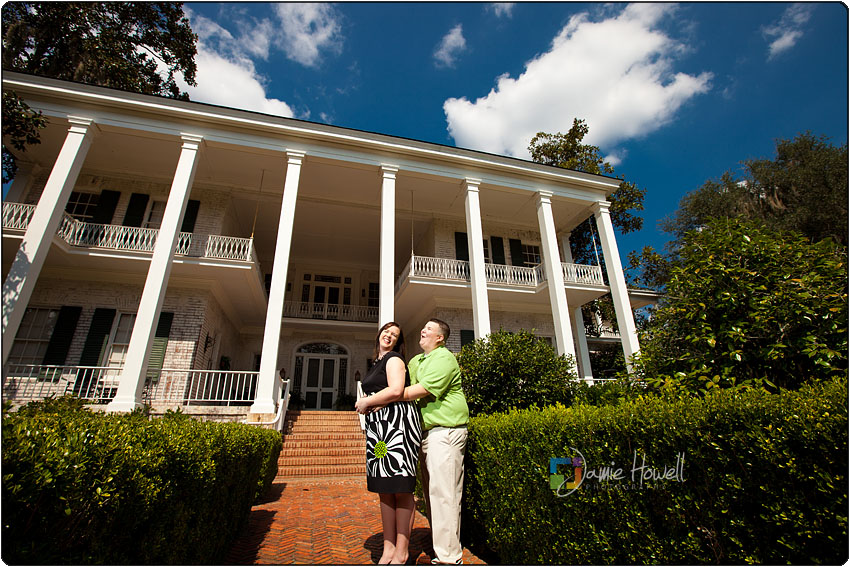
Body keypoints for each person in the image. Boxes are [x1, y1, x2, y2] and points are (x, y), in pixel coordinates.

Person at [401, 318, 469, 565]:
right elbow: (402, 383)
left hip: (446, 431)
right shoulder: (416, 361)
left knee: (444, 495)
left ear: (440, 337)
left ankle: (449, 558)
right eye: (424, 327)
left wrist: (384, 397)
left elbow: (421, 390)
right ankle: (443, 548)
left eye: (429, 329)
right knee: (433, 496)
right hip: (426, 433)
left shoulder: (444, 358)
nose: (423, 330)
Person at [355, 322, 422, 565]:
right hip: (379, 431)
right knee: (384, 489)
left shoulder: (394, 359)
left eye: (394, 335)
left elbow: (396, 390)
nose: (389, 336)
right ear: (379, 334)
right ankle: (388, 547)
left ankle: (402, 551)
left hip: (397, 427)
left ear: (397, 342)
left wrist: (366, 401)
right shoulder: (377, 363)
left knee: (401, 488)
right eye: (386, 331)